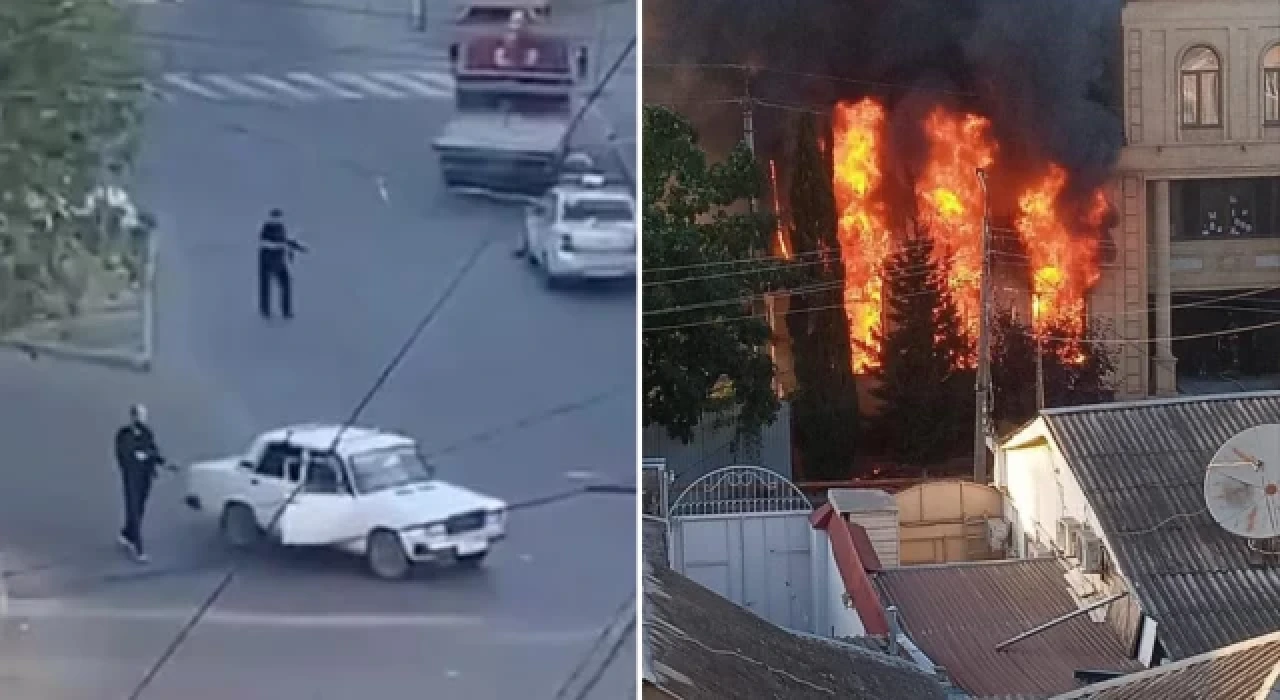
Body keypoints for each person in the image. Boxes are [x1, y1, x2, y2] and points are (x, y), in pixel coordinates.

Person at [114, 404, 168, 562]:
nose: (143, 418)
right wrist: (140, 456)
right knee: (134, 509)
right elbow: (124, 455)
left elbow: (153, 450)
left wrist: (162, 462)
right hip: (132, 478)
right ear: (133, 417)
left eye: (144, 415)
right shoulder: (124, 434)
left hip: (145, 477)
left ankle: (127, 534)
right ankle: (139, 550)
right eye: (140, 415)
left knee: (140, 508)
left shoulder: (146, 432)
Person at [258, 208, 306, 319]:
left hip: (279, 261)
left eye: (279, 217)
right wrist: (280, 245)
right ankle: (265, 311)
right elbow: (264, 242)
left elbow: (284, 240)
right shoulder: (266, 227)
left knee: (286, 284)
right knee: (265, 287)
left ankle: (286, 311)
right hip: (266, 261)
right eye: (275, 217)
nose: (277, 219)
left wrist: (296, 247)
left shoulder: (281, 227)